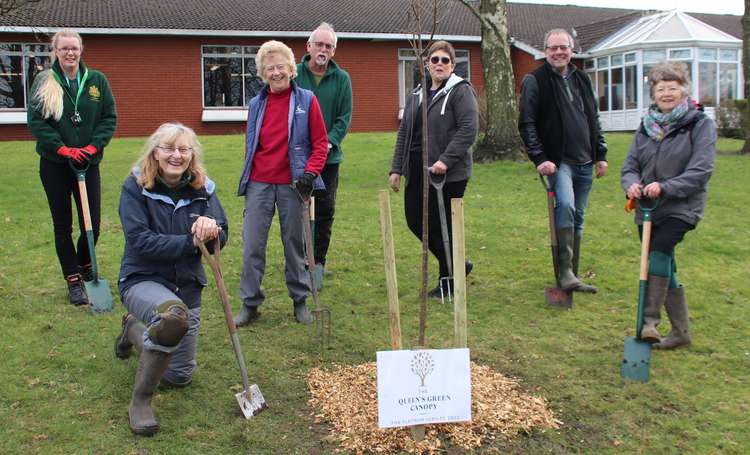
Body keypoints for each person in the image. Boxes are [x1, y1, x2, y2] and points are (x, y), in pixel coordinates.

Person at [114, 123, 228, 435]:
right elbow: (141, 241)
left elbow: (223, 233)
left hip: (187, 285)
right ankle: (140, 402)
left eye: (183, 149)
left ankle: (133, 330)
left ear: (192, 155)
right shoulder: (136, 187)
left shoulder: (204, 189)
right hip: (142, 278)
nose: (176, 155)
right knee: (174, 319)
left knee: (179, 376)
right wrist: (190, 242)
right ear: (155, 152)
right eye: (168, 148)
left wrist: (212, 229)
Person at [621, 62, 715, 349]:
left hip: (682, 206)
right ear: (654, 93)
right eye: (661, 88)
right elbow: (630, 165)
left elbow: (701, 170)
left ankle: (649, 322)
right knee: (665, 266)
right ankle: (681, 333)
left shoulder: (699, 124)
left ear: (684, 91)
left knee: (658, 255)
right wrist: (632, 184)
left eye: (672, 88)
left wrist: (666, 187)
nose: (666, 93)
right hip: (648, 207)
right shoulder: (646, 125)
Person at [234, 40, 328, 326]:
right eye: (269, 68)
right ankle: (250, 303)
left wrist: (309, 174)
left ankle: (299, 301)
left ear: (291, 68)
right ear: (263, 73)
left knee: (293, 245)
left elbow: (321, 143)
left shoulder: (307, 100)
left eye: (280, 66)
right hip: (259, 183)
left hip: (293, 184)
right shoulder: (256, 104)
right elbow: (252, 145)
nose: (276, 72)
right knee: (252, 246)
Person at [27, 28, 117, 305]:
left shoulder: (96, 82)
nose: (69, 53)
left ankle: (85, 264)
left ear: (81, 50)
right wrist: (62, 148)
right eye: (64, 48)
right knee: (63, 225)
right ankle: (73, 279)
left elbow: (108, 118)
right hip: (55, 164)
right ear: (55, 51)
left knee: (94, 225)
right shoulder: (46, 80)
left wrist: (92, 147)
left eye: (74, 48)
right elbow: (37, 121)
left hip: (87, 164)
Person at [518, 28, 608, 294]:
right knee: (566, 205)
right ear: (545, 52)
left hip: (584, 159)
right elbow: (527, 123)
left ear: (572, 50)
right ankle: (566, 272)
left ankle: (571, 274)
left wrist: (600, 155)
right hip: (559, 162)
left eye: (563, 47)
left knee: (578, 216)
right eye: (553, 48)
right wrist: (540, 158)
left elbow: (594, 118)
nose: (559, 52)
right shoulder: (535, 80)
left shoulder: (582, 79)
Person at [388, 40, 479, 299]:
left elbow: (468, 130)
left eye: (445, 60)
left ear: (452, 65)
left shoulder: (460, 91)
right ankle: (458, 266)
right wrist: (396, 168)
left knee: (443, 226)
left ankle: (448, 282)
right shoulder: (417, 92)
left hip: (448, 173)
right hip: (418, 167)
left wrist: (446, 160)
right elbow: (405, 132)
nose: (439, 64)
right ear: (426, 64)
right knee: (415, 220)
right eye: (435, 59)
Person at [296, 22, 353, 290]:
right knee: (299, 211)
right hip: (298, 158)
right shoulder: (294, 75)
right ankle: (300, 262)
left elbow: (343, 119)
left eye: (328, 46)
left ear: (333, 51)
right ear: (308, 47)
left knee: (325, 210)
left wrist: (327, 143)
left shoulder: (341, 79)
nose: (323, 49)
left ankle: (318, 262)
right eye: (319, 44)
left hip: (328, 159)